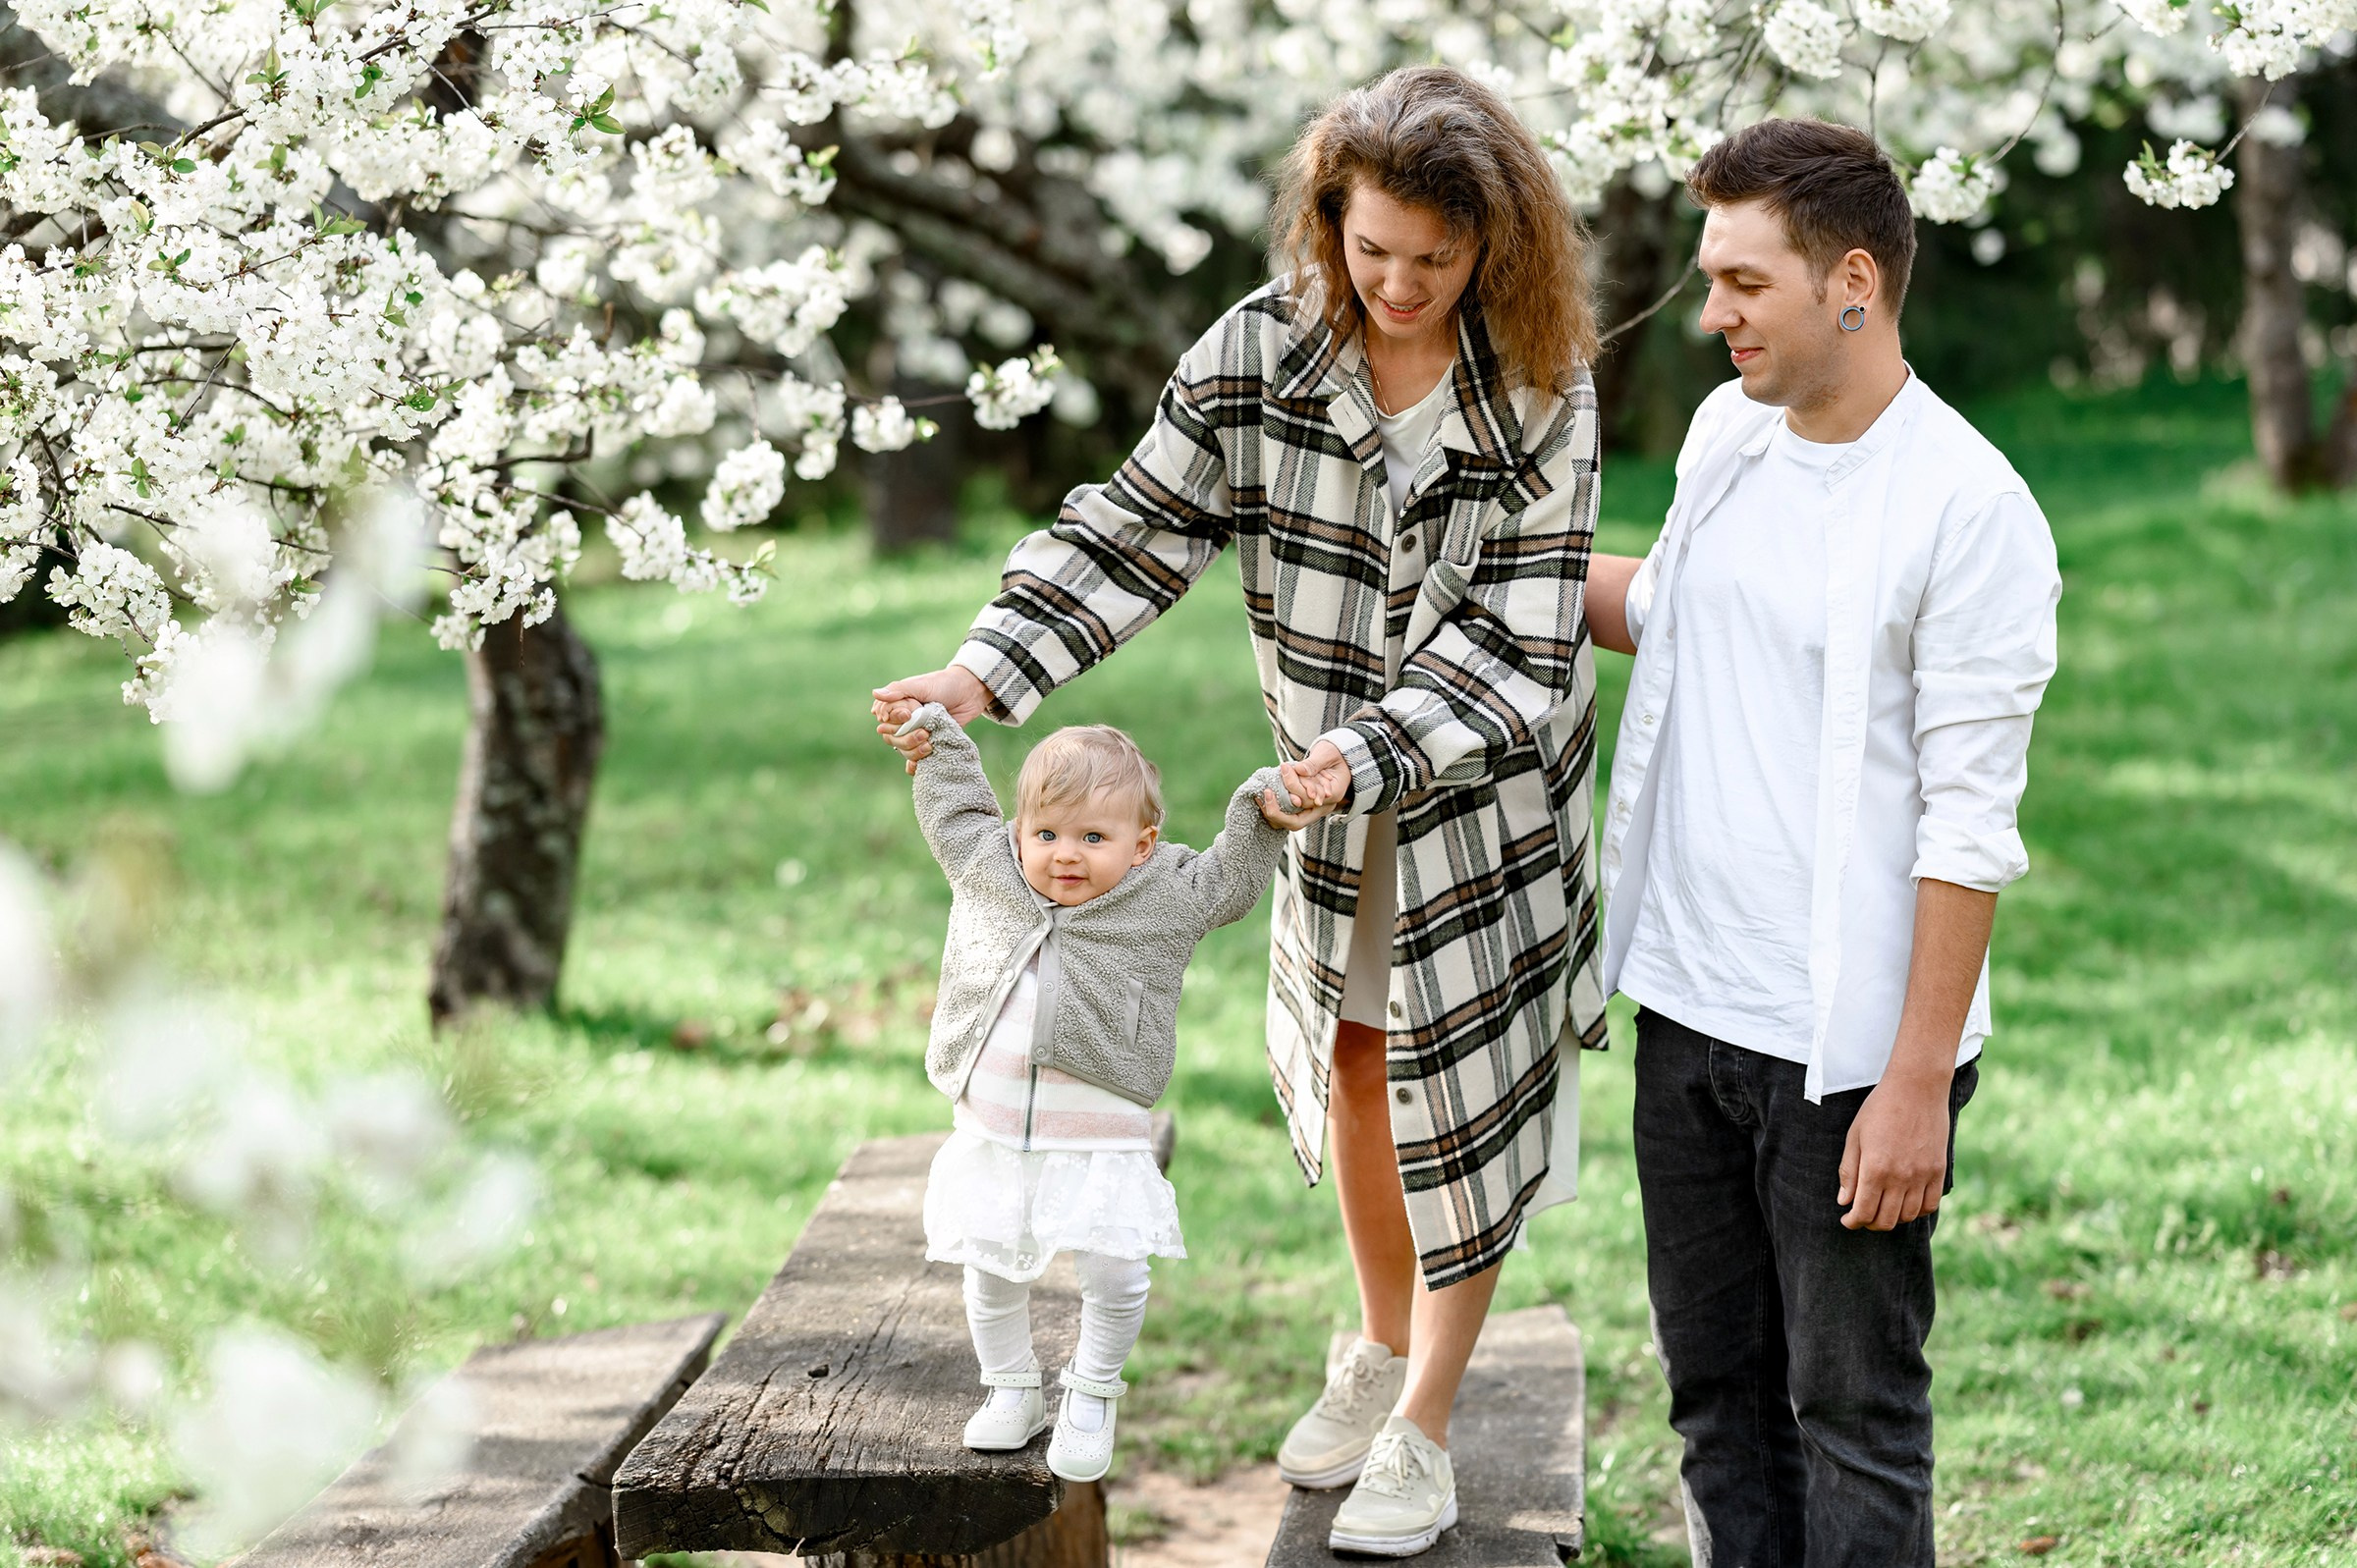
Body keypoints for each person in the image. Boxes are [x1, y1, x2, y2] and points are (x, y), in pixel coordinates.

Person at [875, 65, 1605, 1557]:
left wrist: (1374, 745)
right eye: (1370, 247)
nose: (1396, 285)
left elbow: (1524, 633)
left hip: (1480, 799)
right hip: (1319, 812)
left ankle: (1427, 1427)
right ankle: (1377, 1344)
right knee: (1350, 1068)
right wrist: (983, 670)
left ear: (1496, 249)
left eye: (1435, 260)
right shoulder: (1262, 354)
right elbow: (1136, 527)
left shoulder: (1542, 384)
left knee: (1452, 1096)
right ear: (1329, 218)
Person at [1581, 119, 2062, 1565]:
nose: (1710, 312)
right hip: (1686, 1004)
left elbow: (1970, 826)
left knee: (1851, 1410)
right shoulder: (1731, 437)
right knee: (1717, 1397)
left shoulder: (1970, 511)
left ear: (1853, 282)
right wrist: (1494, 572)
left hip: (1847, 1048)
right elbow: (1671, 610)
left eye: (1743, 282)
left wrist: (1914, 1082)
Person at [884, 702, 1303, 1483]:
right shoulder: (989, 868)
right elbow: (956, 807)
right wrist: (937, 735)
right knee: (993, 1269)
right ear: (1019, 833)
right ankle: (1012, 1387)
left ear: (1141, 846)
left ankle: (1092, 1388)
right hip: (995, 1133)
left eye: (1092, 838)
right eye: (1046, 834)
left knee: (1112, 1271)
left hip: (1101, 1132)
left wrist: (1262, 811)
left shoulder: (1164, 896)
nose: (1064, 855)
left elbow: (1231, 881)